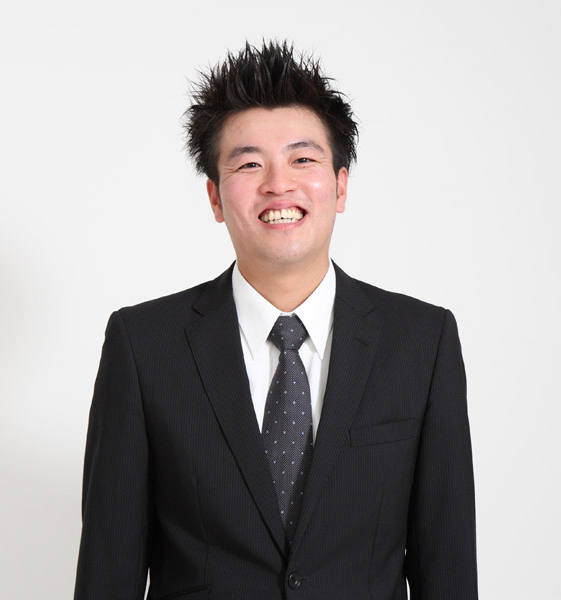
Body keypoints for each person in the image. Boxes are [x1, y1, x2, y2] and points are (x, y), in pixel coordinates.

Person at [74, 41, 478, 599]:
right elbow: (107, 575)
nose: (278, 184)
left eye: (302, 159)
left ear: (340, 185)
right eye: (249, 164)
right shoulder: (143, 347)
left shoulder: (421, 342)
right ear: (215, 198)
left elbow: (448, 573)